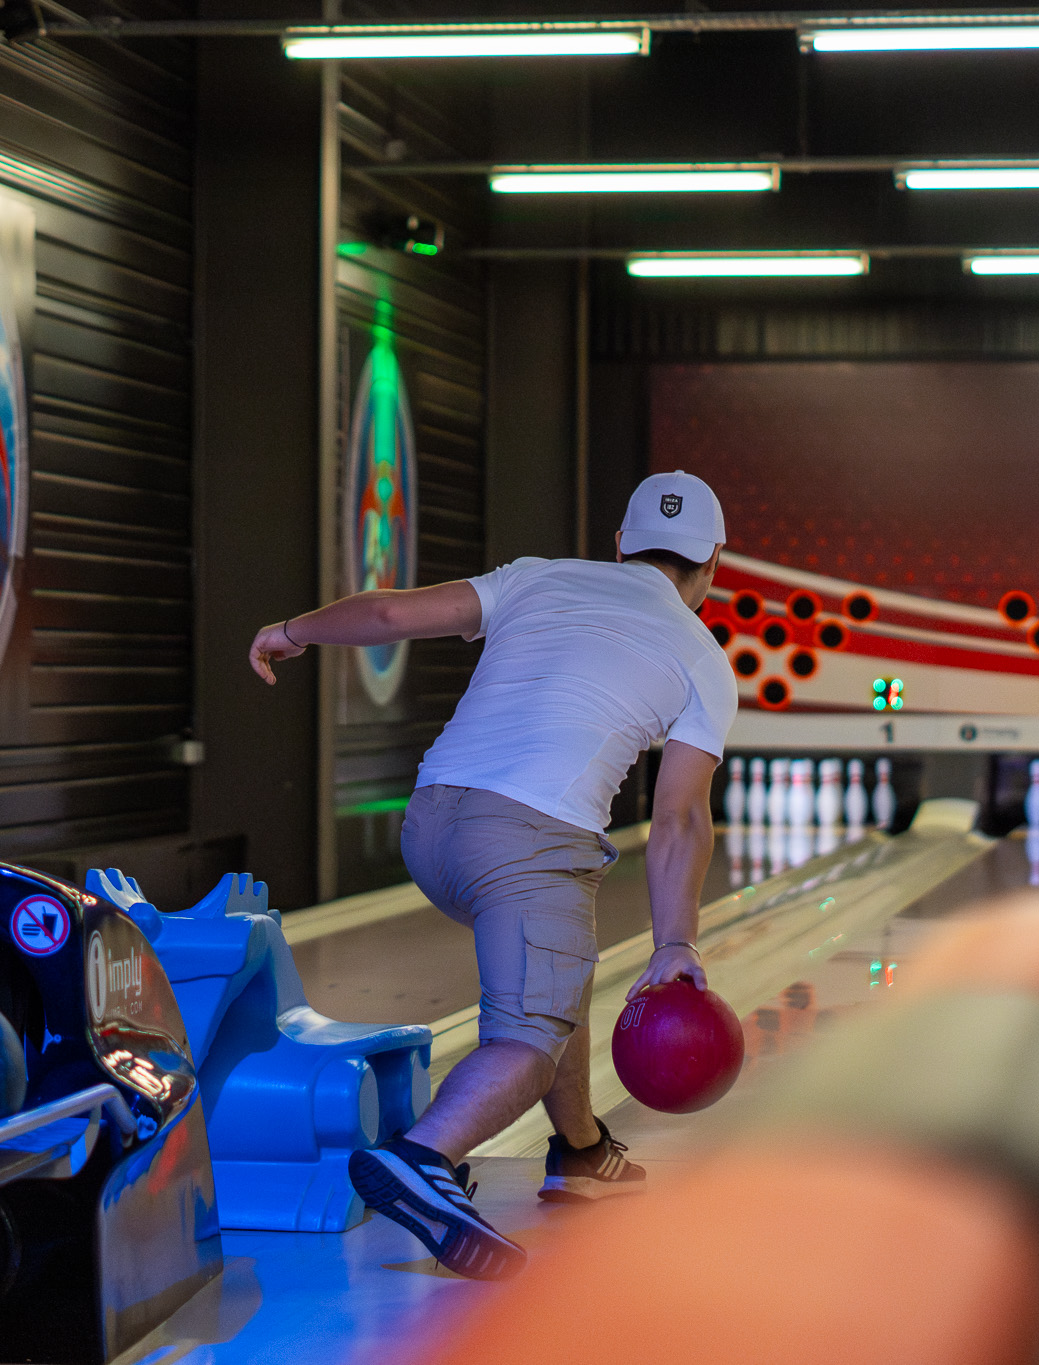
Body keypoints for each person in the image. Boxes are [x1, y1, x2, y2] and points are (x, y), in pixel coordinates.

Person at [248, 471, 736, 1280]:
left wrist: (292, 631)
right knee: (527, 1038)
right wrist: (674, 940)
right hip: (529, 842)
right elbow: (680, 815)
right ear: (713, 563)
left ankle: (581, 1150)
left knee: (558, 973)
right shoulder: (703, 658)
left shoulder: (536, 576)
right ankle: (421, 1158)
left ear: (620, 543)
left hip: (432, 825)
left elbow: (389, 613)